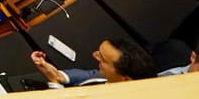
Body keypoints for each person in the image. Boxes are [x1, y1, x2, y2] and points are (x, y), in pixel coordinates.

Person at [29, 37, 157, 86]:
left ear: (126, 80)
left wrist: (54, 81)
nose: (94, 55)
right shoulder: (114, 78)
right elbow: (91, 75)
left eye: (102, 58)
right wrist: (59, 75)